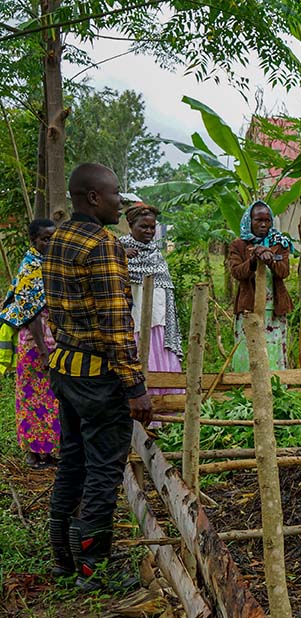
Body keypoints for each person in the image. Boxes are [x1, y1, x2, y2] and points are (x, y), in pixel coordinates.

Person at [42, 162, 153, 590]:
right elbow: (116, 324)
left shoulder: (57, 238)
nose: (119, 201)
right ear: (93, 197)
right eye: (114, 194)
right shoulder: (103, 246)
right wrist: (135, 387)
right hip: (97, 378)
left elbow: (56, 311)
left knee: (72, 462)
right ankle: (93, 569)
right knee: (104, 469)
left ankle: (63, 559)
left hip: (65, 370)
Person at [0, 219, 60, 468]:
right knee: (30, 398)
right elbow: (31, 315)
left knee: (51, 399)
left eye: (53, 238)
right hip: (36, 345)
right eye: (45, 239)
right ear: (33, 241)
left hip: (52, 342)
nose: (50, 243)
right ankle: (33, 453)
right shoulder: (31, 269)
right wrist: (43, 351)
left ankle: (48, 450)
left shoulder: (49, 264)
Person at [120, 203, 183, 392]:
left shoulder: (156, 253)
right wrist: (121, 257)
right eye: (143, 227)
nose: (149, 231)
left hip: (160, 323)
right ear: (131, 225)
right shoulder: (118, 249)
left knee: (161, 362)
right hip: (133, 322)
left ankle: (165, 402)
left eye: (152, 227)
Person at [228, 200, 293, 371]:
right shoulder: (238, 245)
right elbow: (237, 272)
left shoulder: (280, 243)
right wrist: (253, 260)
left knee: (273, 349)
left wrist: (269, 258)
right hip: (249, 308)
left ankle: (275, 385)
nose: (263, 224)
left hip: (274, 308)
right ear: (250, 221)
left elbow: (284, 272)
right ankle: (245, 385)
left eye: (267, 220)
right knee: (247, 348)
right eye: (258, 220)